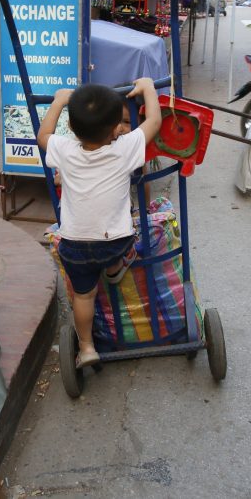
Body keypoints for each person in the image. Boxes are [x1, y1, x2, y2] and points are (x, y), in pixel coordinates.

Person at [37, 78, 163, 368]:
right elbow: (154, 122)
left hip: (75, 246)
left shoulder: (65, 150)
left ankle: (87, 347)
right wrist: (148, 88)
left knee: (85, 295)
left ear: (71, 128)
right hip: (115, 243)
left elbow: (43, 135)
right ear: (114, 129)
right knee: (121, 239)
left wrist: (58, 101)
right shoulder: (123, 149)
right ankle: (115, 269)